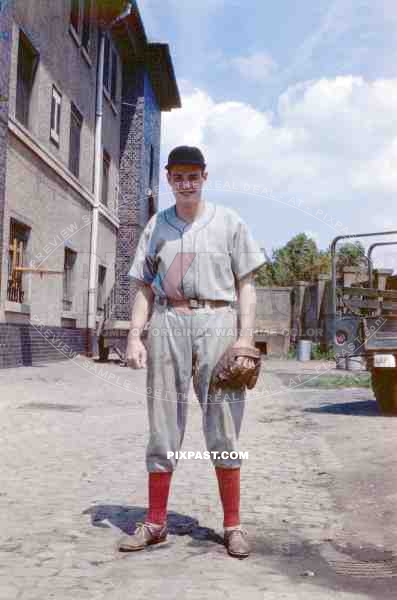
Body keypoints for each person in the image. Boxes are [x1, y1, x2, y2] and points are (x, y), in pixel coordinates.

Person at [118, 145, 266, 558]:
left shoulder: (229, 223)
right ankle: (155, 522)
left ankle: (233, 525)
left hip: (218, 321)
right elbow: (145, 287)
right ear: (168, 179)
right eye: (178, 176)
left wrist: (245, 338)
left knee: (223, 423)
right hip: (168, 321)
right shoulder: (157, 227)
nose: (186, 183)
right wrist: (134, 335)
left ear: (205, 177)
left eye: (193, 176)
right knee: (163, 424)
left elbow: (246, 285)